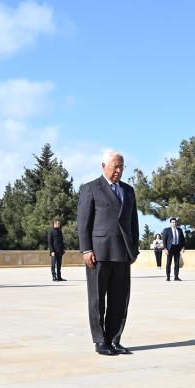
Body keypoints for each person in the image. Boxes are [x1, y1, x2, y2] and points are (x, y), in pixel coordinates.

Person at [77, 149, 140, 356]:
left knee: (120, 299)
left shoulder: (128, 191)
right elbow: (83, 222)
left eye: (122, 167)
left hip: (122, 253)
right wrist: (86, 249)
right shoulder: (91, 188)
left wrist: (134, 249)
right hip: (99, 253)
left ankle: (114, 339)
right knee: (97, 299)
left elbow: (133, 223)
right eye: (115, 166)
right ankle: (100, 340)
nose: (119, 171)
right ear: (104, 166)